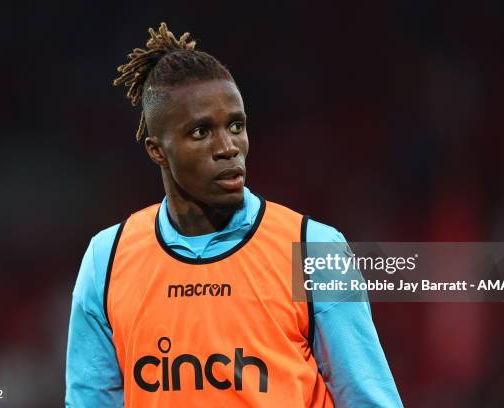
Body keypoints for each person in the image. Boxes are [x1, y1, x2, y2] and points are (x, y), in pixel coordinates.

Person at [65, 22, 402, 407]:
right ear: (157, 150)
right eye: (200, 132)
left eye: (236, 126)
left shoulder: (312, 249)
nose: (228, 147)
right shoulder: (107, 259)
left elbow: (369, 399)